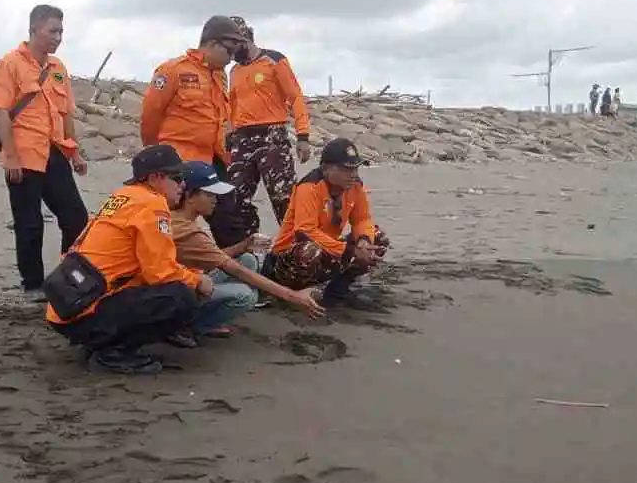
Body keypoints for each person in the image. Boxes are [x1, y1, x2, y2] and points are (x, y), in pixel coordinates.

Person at [45, 145, 210, 375]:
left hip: (69, 305)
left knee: (170, 286)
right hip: (86, 310)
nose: (183, 185)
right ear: (155, 178)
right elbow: (160, 273)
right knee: (181, 297)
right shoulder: (153, 204)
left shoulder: (123, 196)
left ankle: (100, 341)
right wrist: (197, 280)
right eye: (177, 177)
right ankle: (113, 353)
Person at [0, 4, 90, 300]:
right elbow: (3, 113)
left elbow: (66, 114)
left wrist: (76, 153)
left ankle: (65, 276)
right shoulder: (9, 63)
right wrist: (10, 156)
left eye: (61, 31)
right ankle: (32, 284)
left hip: (55, 152)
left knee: (76, 217)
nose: (57, 37)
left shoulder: (58, 68)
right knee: (29, 223)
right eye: (52, 31)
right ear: (34, 30)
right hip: (23, 153)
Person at [166, 161, 325, 347]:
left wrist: (242, 246)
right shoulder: (188, 231)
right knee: (245, 295)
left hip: (180, 282)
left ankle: (196, 318)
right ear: (190, 196)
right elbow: (235, 270)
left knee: (247, 260)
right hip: (175, 291)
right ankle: (185, 327)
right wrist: (292, 295)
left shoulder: (179, 218)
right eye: (209, 194)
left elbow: (209, 256)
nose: (215, 199)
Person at [207, 15, 313, 248]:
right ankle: (249, 246)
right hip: (242, 138)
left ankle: (298, 249)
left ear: (246, 39)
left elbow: (295, 97)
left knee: (283, 198)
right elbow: (230, 107)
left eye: (235, 46)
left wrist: (303, 135)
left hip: (272, 135)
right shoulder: (233, 71)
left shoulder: (274, 61)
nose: (232, 53)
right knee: (235, 198)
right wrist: (227, 137)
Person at [266, 138, 390, 306]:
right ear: (325, 168)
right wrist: (349, 251)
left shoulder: (355, 186)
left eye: (355, 168)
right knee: (310, 250)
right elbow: (305, 232)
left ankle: (337, 291)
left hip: (329, 249)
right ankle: (292, 295)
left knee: (377, 237)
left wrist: (363, 242)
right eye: (346, 169)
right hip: (286, 258)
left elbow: (362, 219)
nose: (353, 174)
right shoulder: (309, 187)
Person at [140, 15, 249, 166]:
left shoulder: (219, 76)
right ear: (212, 44)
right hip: (177, 161)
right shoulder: (173, 70)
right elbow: (151, 114)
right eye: (229, 52)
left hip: (211, 160)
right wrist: (154, 154)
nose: (231, 59)